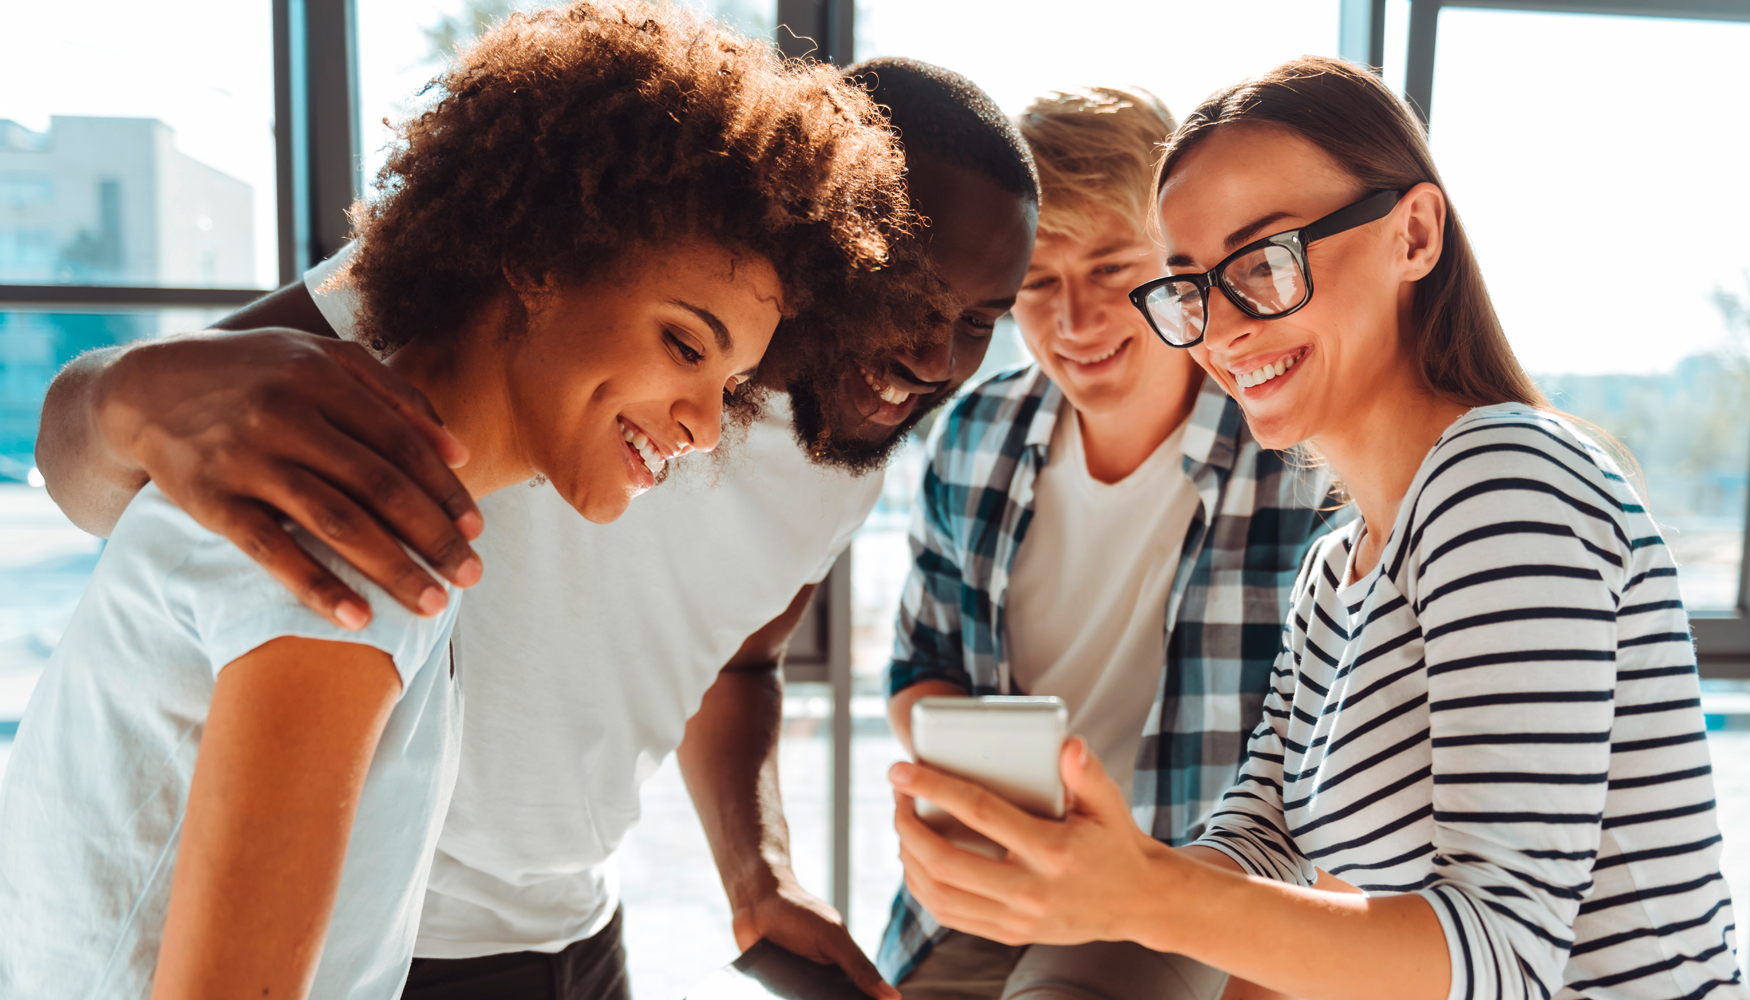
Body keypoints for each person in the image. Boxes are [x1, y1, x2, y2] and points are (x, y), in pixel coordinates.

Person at [32, 50, 1040, 1000]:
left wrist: (757, 872)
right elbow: (125, 455)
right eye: (910, 290)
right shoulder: (422, 432)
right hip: (394, 929)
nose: (935, 356)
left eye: (980, 318)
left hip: (569, 928)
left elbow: (736, 662)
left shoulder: (837, 451)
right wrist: (124, 390)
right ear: (827, 232)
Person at [887, 56, 1748, 1000]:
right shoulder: (1338, 564)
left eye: (1262, 262)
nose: (1222, 330)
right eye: (1191, 287)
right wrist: (1102, 881)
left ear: (1413, 234)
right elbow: (1263, 840)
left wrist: (1139, 898)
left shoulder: (1508, 479)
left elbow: (1505, 957)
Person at [877, 87, 1344, 1000]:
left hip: (1192, 888)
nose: (1076, 322)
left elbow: (1341, 770)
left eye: (1113, 270)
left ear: (1178, 271)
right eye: (1039, 285)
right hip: (999, 879)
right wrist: (979, 786)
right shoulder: (972, 437)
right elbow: (920, 667)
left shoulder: (1290, 457)